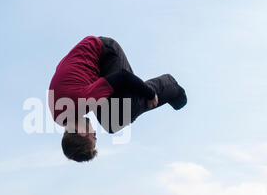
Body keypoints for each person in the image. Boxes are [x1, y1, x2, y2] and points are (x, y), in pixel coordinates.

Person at [48, 36, 187, 162]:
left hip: (106, 53)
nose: (95, 133)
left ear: (82, 132)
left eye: (93, 137)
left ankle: (170, 86)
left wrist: (150, 94)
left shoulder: (81, 100)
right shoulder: (60, 117)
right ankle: (159, 91)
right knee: (112, 124)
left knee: (125, 111)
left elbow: (123, 77)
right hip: (91, 67)